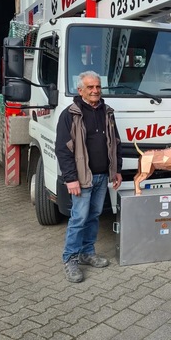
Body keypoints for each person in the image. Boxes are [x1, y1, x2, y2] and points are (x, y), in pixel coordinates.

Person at [55, 71, 123, 282]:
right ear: (80, 90)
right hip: (82, 178)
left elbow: (116, 143)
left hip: (103, 176)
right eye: (90, 87)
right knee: (79, 218)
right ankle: (70, 258)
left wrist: (116, 170)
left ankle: (87, 252)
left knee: (93, 216)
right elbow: (63, 150)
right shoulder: (70, 114)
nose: (95, 91)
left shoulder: (107, 112)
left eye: (98, 87)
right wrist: (70, 178)